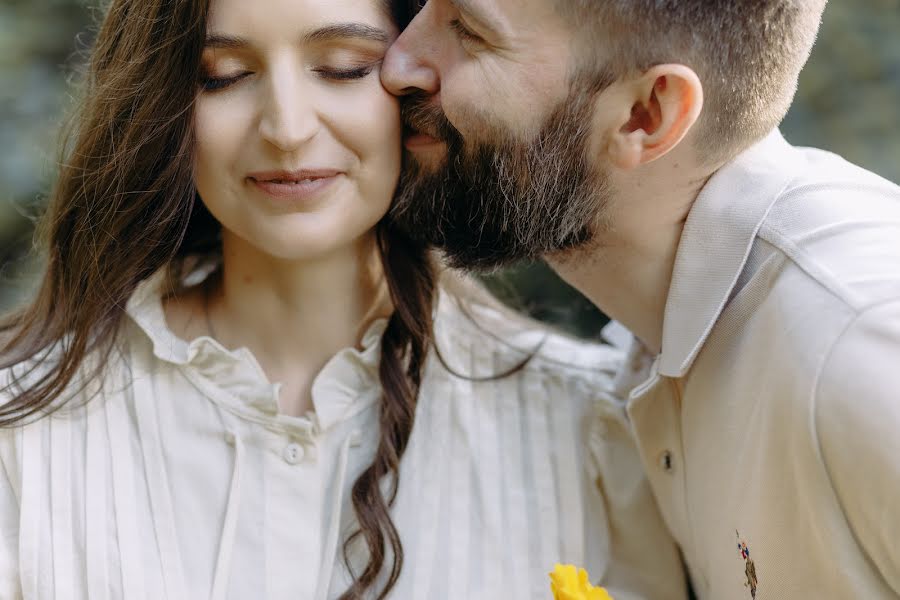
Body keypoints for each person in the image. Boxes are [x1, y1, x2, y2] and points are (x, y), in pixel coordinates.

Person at [0, 0, 687, 598]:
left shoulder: (591, 429)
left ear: (422, 77)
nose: (287, 127)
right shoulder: (23, 437)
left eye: (343, 66)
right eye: (224, 77)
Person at [381, 0, 900, 598]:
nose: (397, 65)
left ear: (645, 116)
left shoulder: (860, 344)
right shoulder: (672, 336)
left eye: (469, 32)